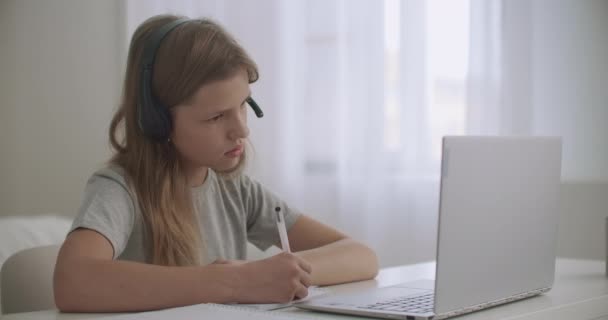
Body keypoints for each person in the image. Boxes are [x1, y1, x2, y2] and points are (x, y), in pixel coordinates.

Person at [53, 14, 378, 313]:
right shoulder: (120, 189)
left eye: (243, 105)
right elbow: (72, 281)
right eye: (217, 116)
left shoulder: (236, 190)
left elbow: (362, 256)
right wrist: (236, 282)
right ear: (158, 122)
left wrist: (282, 274)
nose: (242, 130)